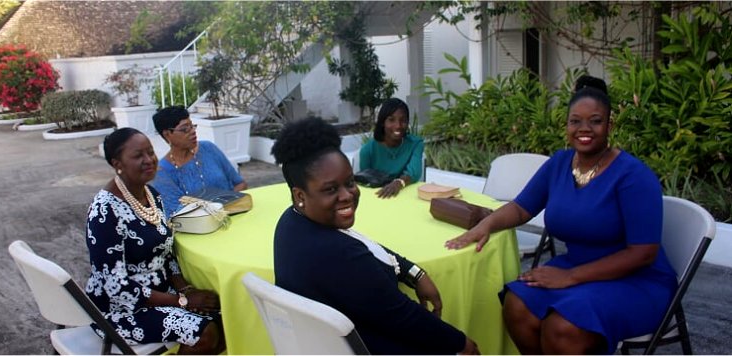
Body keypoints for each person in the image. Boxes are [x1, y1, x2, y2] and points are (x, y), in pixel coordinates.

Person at [445, 76, 677, 354]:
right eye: (575, 121)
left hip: (635, 281)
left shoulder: (633, 176)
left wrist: (571, 277)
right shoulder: (559, 163)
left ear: (610, 125)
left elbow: (643, 253)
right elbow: (521, 208)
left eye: (595, 121)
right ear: (566, 125)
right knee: (517, 305)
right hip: (576, 268)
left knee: (562, 327)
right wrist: (486, 224)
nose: (584, 129)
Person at [271, 117, 479, 354]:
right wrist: (460, 343)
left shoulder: (291, 222)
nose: (347, 195)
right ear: (300, 195)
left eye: (349, 182)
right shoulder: (339, 254)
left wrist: (414, 273)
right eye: (330, 189)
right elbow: (402, 316)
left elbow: (364, 244)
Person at [85, 128, 225, 354]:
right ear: (117, 163)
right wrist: (182, 301)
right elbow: (117, 288)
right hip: (121, 309)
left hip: (162, 293)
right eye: (138, 155)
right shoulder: (104, 211)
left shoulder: (151, 195)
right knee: (205, 332)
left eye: (150, 152)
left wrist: (185, 289)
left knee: (226, 314)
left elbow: (165, 251)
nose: (149, 160)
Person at [151, 106, 247, 218]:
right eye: (185, 129)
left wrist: (228, 207)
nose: (192, 132)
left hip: (235, 215)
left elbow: (240, 183)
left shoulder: (209, 149)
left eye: (192, 126)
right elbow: (176, 215)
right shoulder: (162, 173)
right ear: (167, 134)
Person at [359, 98, 424, 198]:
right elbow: (365, 181)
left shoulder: (415, 144)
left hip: (406, 196)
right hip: (379, 197)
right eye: (391, 120)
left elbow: (414, 173)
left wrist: (398, 183)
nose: (398, 126)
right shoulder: (367, 150)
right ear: (382, 122)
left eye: (403, 120)